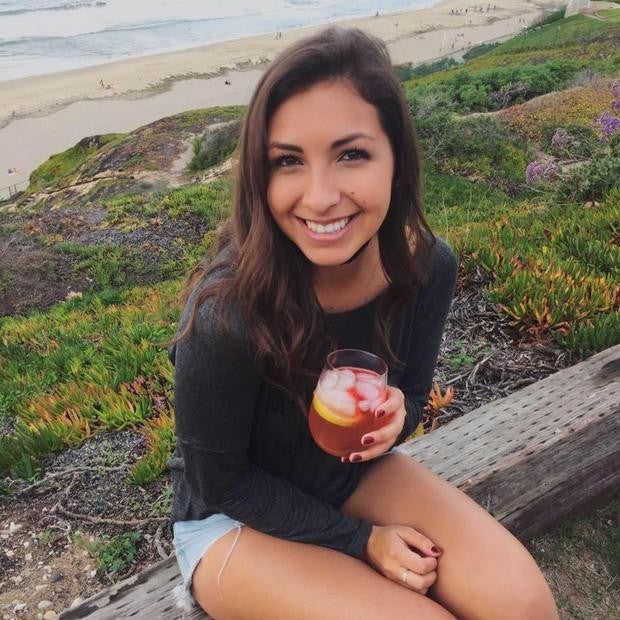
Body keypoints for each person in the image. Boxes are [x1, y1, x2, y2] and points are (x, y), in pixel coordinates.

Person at [167, 27, 559, 619]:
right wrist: (358, 541)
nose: (320, 196)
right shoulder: (225, 314)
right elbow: (219, 482)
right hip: (231, 516)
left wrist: (398, 415)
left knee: (523, 605)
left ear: (396, 160)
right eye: (288, 161)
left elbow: (413, 396)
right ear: (259, 176)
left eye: (351, 154)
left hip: (344, 476)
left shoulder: (425, 268)